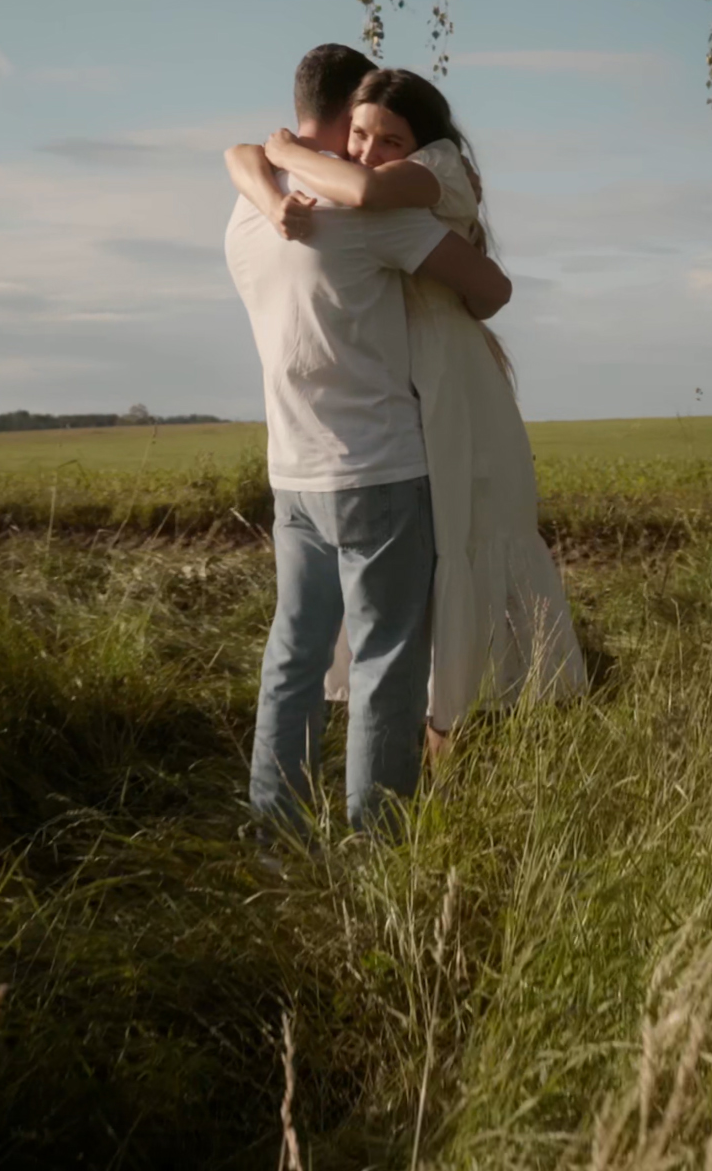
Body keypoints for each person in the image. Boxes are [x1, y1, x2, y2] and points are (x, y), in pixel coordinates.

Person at [236, 67, 589, 763]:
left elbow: (485, 287)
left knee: (461, 544)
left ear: (421, 142)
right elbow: (237, 156)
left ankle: (462, 739)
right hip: (409, 395)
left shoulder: (432, 169)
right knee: (426, 578)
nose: (367, 150)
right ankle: (434, 759)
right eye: (360, 133)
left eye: (387, 138)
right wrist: (266, 161)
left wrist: (281, 153)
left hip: (450, 385)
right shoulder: (355, 203)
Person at [222, 44, 514, 837]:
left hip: (292, 472)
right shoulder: (369, 216)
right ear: (353, 108)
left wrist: (272, 154)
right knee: (387, 666)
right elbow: (490, 290)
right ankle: (374, 845)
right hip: (380, 469)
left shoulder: (247, 212)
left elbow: (245, 155)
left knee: (294, 656)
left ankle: (272, 829)